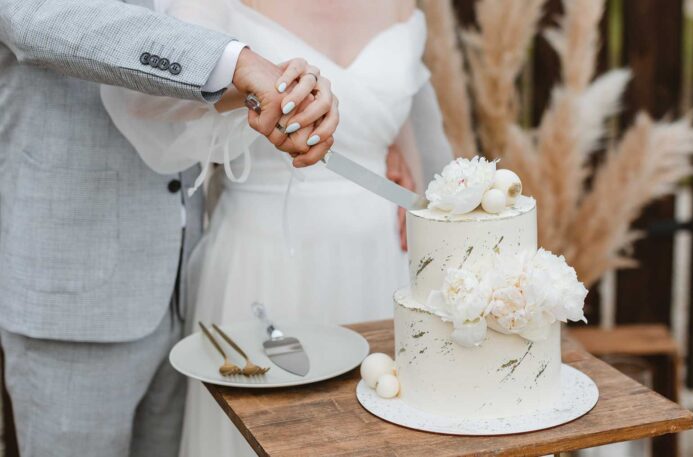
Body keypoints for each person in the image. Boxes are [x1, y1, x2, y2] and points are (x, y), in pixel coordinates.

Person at [101, 0, 453, 455]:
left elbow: (399, 100)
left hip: (383, 259)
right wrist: (254, 91)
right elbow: (148, 98)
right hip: (266, 258)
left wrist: (405, 161)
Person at [0, 0, 339, 456]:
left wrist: (282, 90)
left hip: (185, 290)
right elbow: (40, 15)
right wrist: (238, 61)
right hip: (73, 297)